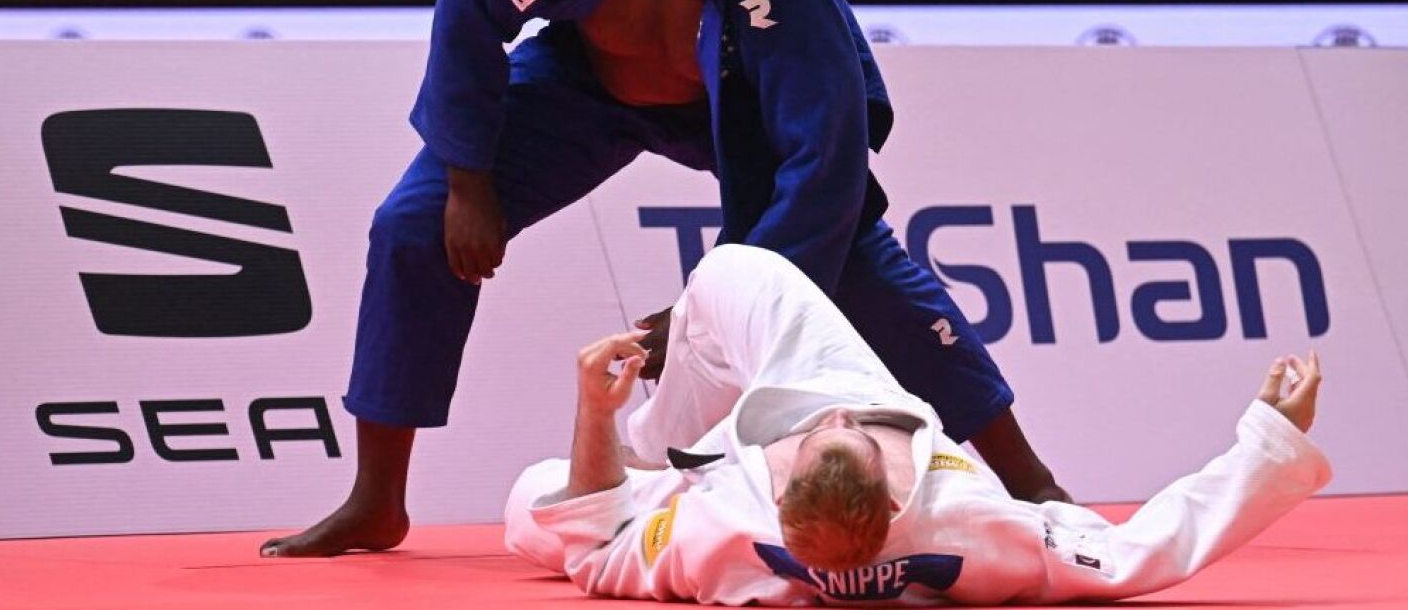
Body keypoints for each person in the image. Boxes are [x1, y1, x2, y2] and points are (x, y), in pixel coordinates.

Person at [261, 0, 1064, 558]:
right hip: (580, 86)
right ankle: (376, 497)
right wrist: (469, 181)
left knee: (850, 246)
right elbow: (471, 4)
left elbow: (826, 164)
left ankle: (1029, 480)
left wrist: (699, 317)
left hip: (729, 107)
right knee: (413, 223)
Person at [505, 244, 1330, 605]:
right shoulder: (973, 525)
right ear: (889, 474)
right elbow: (1141, 553)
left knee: (530, 501)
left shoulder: (721, 534)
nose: (830, 420)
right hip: (832, 401)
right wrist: (1268, 437)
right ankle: (650, 450)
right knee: (732, 269)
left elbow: (595, 545)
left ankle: (650, 447)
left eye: (817, 436)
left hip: (711, 464)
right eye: (843, 433)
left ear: (782, 487)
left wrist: (599, 420)